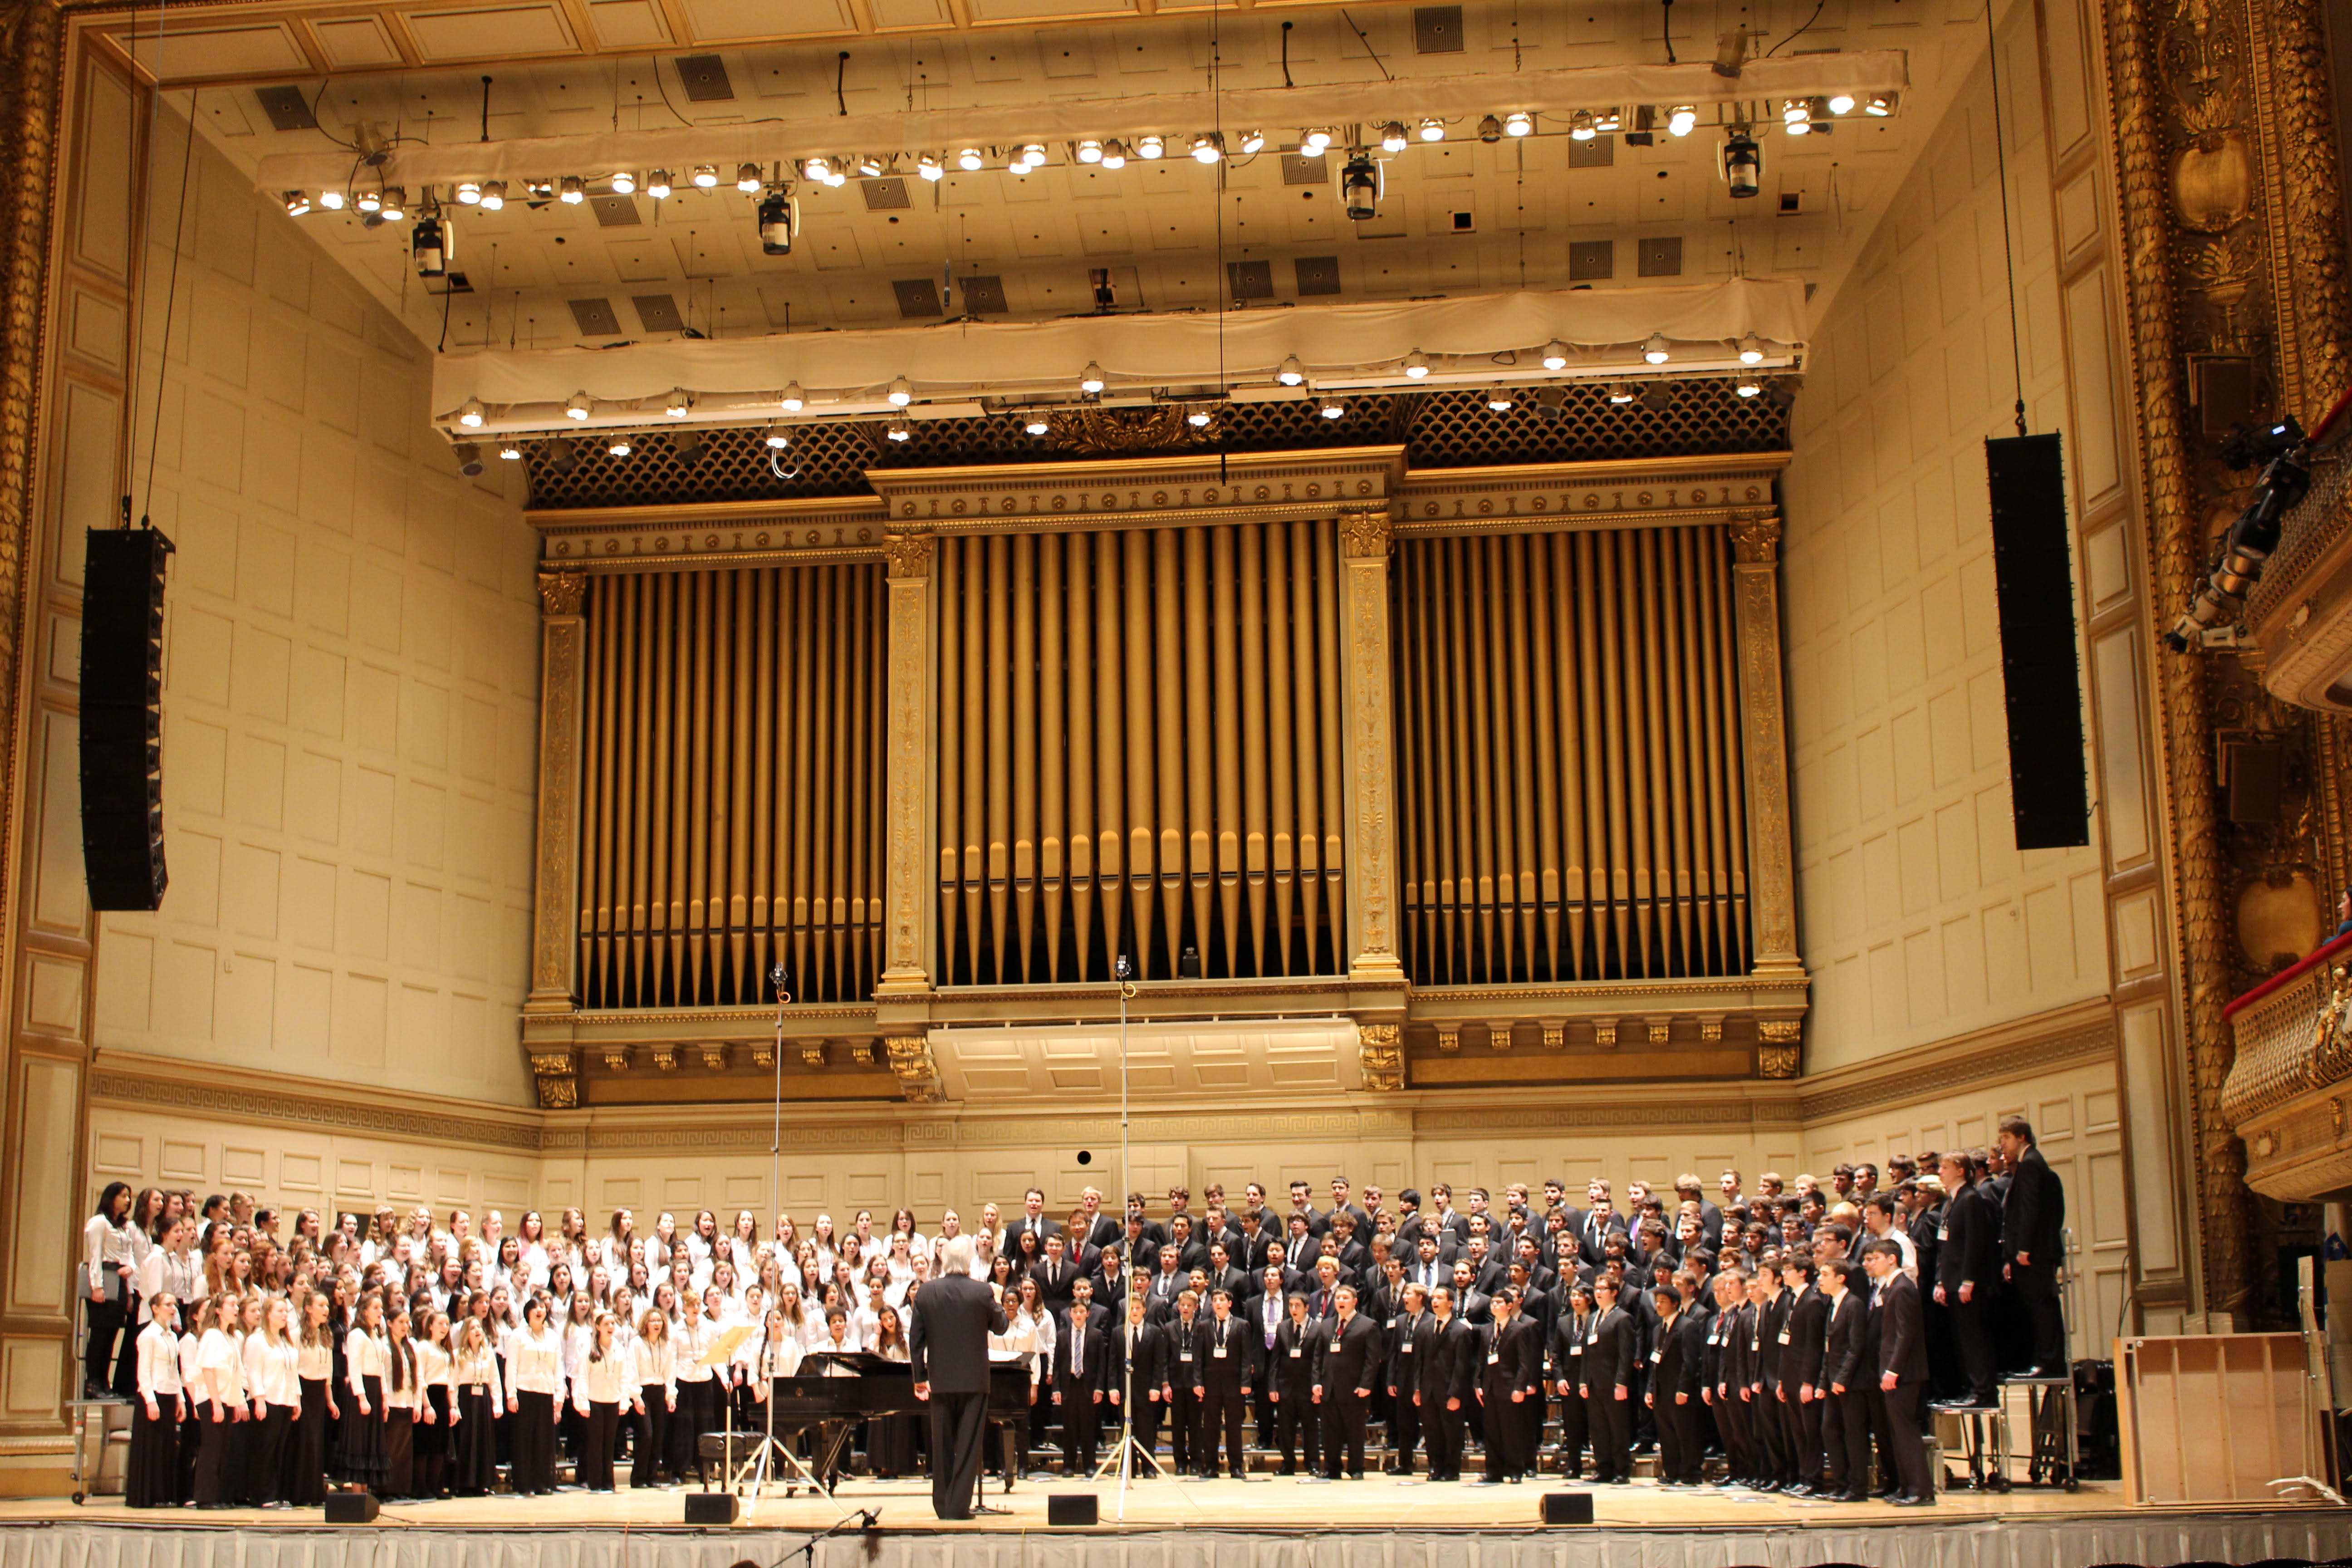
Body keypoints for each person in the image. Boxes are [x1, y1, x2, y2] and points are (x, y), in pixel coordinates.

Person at [911, 1235, 1008, 1521]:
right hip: (974, 1381)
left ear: (944, 1260)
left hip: (940, 1380)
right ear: (969, 1262)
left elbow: (915, 1340)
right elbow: (1001, 1327)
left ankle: (943, 1506)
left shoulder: (926, 1292)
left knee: (941, 1445)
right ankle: (958, 1508)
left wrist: (919, 1377)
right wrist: (998, 1299)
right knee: (968, 1445)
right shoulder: (982, 1292)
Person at [1864, 1238, 1936, 1505]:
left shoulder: (1903, 1288)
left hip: (1904, 1373)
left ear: (1891, 1259)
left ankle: (1921, 1490)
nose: (1872, 1263)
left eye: (1877, 1258)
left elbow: (1906, 1335)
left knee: (1906, 1431)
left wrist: (1893, 1370)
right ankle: (1906, 1487)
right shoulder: (1891, 1287)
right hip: (1894, 1370)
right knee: (1896, 1432)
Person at [1997, 1118, 2068, 1376]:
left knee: (2041, 1308)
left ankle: (2049, 1363)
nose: (2002, 1144)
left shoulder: (2030, 1164)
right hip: (2038, 1251)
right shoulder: (2034, 1163)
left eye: (2006, 1138)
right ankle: (2048, 1361)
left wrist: (2023, 1249)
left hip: (2034, 1253)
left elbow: (2030, 1208)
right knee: (2041, 1307)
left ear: (2022, 1138)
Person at [1315, 1284, 1381, 1480]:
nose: (1341, 1301)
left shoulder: (1368, 1325)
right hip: (1329, 1389)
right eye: (1338, 1298)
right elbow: (1318, 1357)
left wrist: (1366, 1385)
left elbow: (1372, 1360)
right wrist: (1316, 1382)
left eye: (1345, 1298)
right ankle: (1332, 1468)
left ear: (1355, 1302)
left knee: (1355, 1432)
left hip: (1354, 1389)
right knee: (1330, 1432)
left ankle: (1356, 1468)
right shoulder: (1327, 1325)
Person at [1818, 1260, 1871, 1502]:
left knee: (1854, 1434)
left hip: (1851, 1383)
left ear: (1840, 1278)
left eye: (1825, 1274)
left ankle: (1858, 1488)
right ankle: (1841, 1484)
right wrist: (1823, 1382)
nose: (1820, 1279)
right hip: (1833, 1380)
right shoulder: (1832, 1304)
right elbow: (1829, 1349)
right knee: (1829, 1431)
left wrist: (1842, 1379)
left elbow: (1855, 1347)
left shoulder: (1854, 1304)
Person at [128, 1293, 185, 1507]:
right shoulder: (148, 1336)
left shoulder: (172, 1336)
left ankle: (164, 1495)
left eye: (175, 1305)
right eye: (168, 1305)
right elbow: (143, 1372)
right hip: (152, 1396)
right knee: (152, 1447)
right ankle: (148, 1496)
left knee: (166, 1447)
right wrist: (150, 1401)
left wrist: (181, 1399)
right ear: (155, 1308)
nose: (173, 1309)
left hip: (169, 1395)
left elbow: (175, 1370)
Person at [84, 1182, 139, 1401]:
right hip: (105, 1276)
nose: (128, 1200)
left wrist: (131, 1271)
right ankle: (93, 1382)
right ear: (111, 1197)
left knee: (112, 1334)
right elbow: (95, 1255)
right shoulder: (99, 1222)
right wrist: (97, 1287)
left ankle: (104, 1382)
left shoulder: (123, 1226)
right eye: (123, 1196)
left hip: (120, 1277)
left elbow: (129, 1254)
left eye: (129, 1196)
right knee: (100, 1333)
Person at [1196, 1288, 1253, 1479]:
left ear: (1230, 1303)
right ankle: (1211, 1466)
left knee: (1234, 1426)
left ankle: (1236, 1466)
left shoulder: (1242, 1325)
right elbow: (1198, 1357)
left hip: (1234, 1383)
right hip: (1210, 1383)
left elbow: (1246, 1357)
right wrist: (1198, 1382)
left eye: (1222, 1300)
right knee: (1210, 1426)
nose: (1218, 1304)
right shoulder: (1204, 1326)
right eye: (1215, 1301)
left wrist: (1246, 1382)